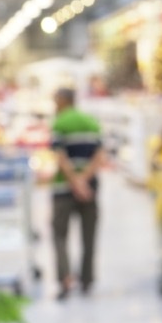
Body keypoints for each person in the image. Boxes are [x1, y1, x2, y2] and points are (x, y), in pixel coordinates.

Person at [50, 87, 105, 301]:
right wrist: (84, 181)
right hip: (90, 188)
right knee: (88, 235)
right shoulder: (91, 122)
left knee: (59, 234)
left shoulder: (59, 123)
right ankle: (86, 280)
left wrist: (74, 181)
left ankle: (64, 278)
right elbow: (99, 155)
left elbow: (60, 156)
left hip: (63, 189)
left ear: (63, 101)